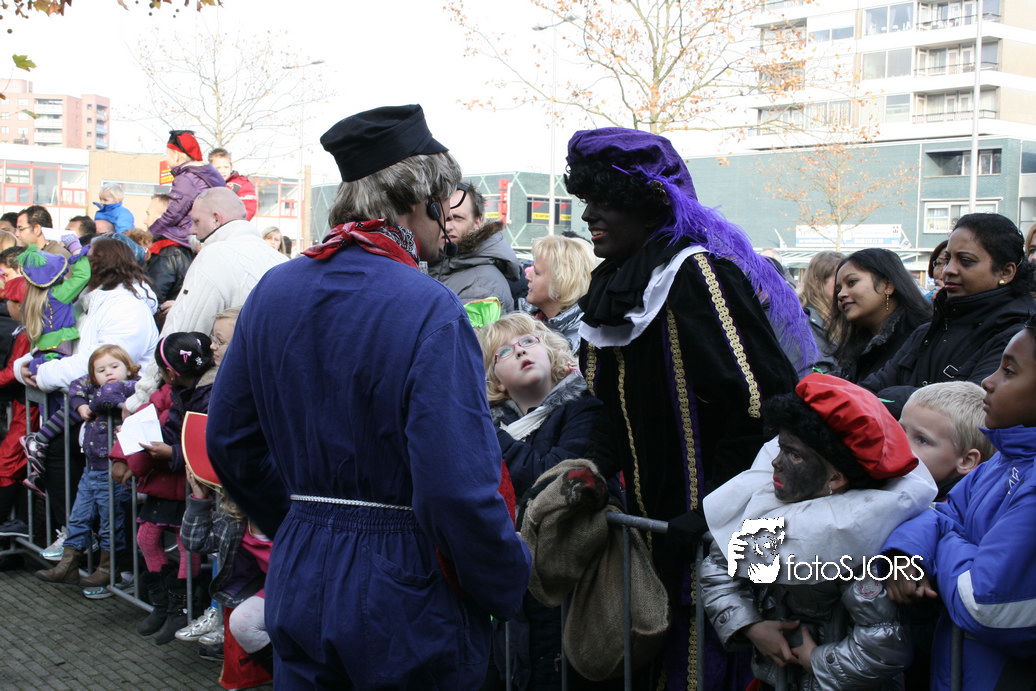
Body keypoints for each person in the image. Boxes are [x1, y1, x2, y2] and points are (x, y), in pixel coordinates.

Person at [206, 103, 531, 688]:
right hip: (405, 587)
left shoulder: (275, 289)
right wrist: (506, 579)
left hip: (302, 569)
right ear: (418, 200)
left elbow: (229, 441)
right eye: (444, 203)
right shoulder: (427, 305)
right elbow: (456, 484)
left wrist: (303, 523)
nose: (446, 222)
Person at [565, 127, 805, 689]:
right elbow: (608, 409)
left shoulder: (697, 274)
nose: (589, 215)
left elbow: (760, 405)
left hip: (714, 538)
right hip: (642, 535)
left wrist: (709, 513)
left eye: (605, 201)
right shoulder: (615, 283)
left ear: (648, 203)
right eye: (587, 199)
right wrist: (590, 471)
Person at [700, 374, 935, 691]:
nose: (776, 464)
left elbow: (883, 645)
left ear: (835, 479)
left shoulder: (856, 538)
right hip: (776, 680)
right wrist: (751, 626)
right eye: (780, 449)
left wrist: (816, 660)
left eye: (794, 455)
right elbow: (720, 565)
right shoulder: (773, 507)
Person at [884, 318, 1036, 691]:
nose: (988, 381)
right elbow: (940, 514)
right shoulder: (1004, 461)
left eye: (1009, 372)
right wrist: (908, 554)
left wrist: (949, 540)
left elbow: (985, 604)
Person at [13, 237, 160, 556]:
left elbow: (101, 364)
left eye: (85, 259)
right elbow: (60, 343)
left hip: (118, 411)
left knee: (91, 478)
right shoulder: (91, 299)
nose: (74, 266)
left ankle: (102, 555)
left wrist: (43, 373)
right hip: (88, 405)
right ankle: (78, 539)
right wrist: (26, 365)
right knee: (61, 458)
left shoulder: (126, 307)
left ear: (100, 265)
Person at [478, 312, 602, 688]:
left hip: (569, 589)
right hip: (517, 593)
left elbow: (554, 477)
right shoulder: (493, 428)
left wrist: (492, 438)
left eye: (528, 342)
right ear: (497, 379)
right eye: (504, 351)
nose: (519, 351)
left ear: (550, 352)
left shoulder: (582, 408)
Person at [124, 187, 287, 414]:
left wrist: (140, 398)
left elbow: (180, 331)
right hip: (272, 395)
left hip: (220, 396)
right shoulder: (281, 261)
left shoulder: (214, 256)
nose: (191, 229)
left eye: (196, 221)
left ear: (216, 219)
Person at [861, 213, 1036, 417]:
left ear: (1006, 272)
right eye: (946, 260)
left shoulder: (1019, 337)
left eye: (966, 261)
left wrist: (888, 398)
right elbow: (865, 392)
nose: (948, 271)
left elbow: (970, 413)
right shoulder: (926, 332)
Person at [123, 332, 214, 645]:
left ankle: (183, 605)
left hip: (190, 482)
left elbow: (203, 444)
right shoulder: (178, 390)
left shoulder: (207, 395)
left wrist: (171, 452)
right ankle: (162, 602)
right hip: (166, 478)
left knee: (187, 543)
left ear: (170, 373)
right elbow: (173, 428)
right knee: (146, 537)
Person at [33, 345, 139, 588]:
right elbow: (76, 386)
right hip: (90, 468)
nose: (109, 372)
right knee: (78, 518)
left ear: (128, 368)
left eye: (114, 366)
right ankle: (68, 565)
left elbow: (108, 396)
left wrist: (91, 404)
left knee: (110, 523)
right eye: (101, 370)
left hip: (113, 471)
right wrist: (80, 404)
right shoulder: (95, 387)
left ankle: (108, 568)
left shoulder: (131, 387)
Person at [827, 248, 931, 383]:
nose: (841, 295)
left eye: (851, 282)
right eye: (838, 289)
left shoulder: (921, 340)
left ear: (887, 285)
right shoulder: (857, 348)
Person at [431, 181, 523, 311]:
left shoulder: (482, 287)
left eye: (457, 218)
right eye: (442, 218)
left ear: (477, 222)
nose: (447, 227)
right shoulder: (435, 263)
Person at [899, 382, 993, 500]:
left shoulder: (948, 509)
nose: (900, 444)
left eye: (922, 440)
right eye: (900, 430)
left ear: (966, 461)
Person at [147, 130, 225, 258]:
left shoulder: (186, 178)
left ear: (177, 156)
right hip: (209, 236)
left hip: (187, 238)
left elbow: (173, 214)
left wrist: (149, 234)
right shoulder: (210, 174)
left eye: (168, 154)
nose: (166, 159)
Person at [0, 277, 35, 537]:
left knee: (8, 461)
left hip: (29, 407)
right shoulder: (23, 329)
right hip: (22, 403)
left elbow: (15, 369)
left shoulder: (28, 332)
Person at [521, 234, 596, 353]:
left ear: (561, 284)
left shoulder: (582, 340)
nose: (527, 276)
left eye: (537, 272)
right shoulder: (529, 320)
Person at [143, 192, 194, 309]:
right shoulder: (185, 245)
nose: (145, 221)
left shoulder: (165, 252)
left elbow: (153, 300)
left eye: (148, 214)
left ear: (164, 217)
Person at [799, 250, 844, 362]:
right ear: (818, 281)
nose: (844, 288)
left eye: (850, 282)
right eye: (838, 281)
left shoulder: (844, 315)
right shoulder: (803, 321)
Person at [209, 148, 258, 221]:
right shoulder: (205, 184)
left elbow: (248, 209)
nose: (223, 171)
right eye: (218, 168)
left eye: (226, 167)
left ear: (231, 167)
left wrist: (231, 224)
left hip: (233, 225)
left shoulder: (242, 184)